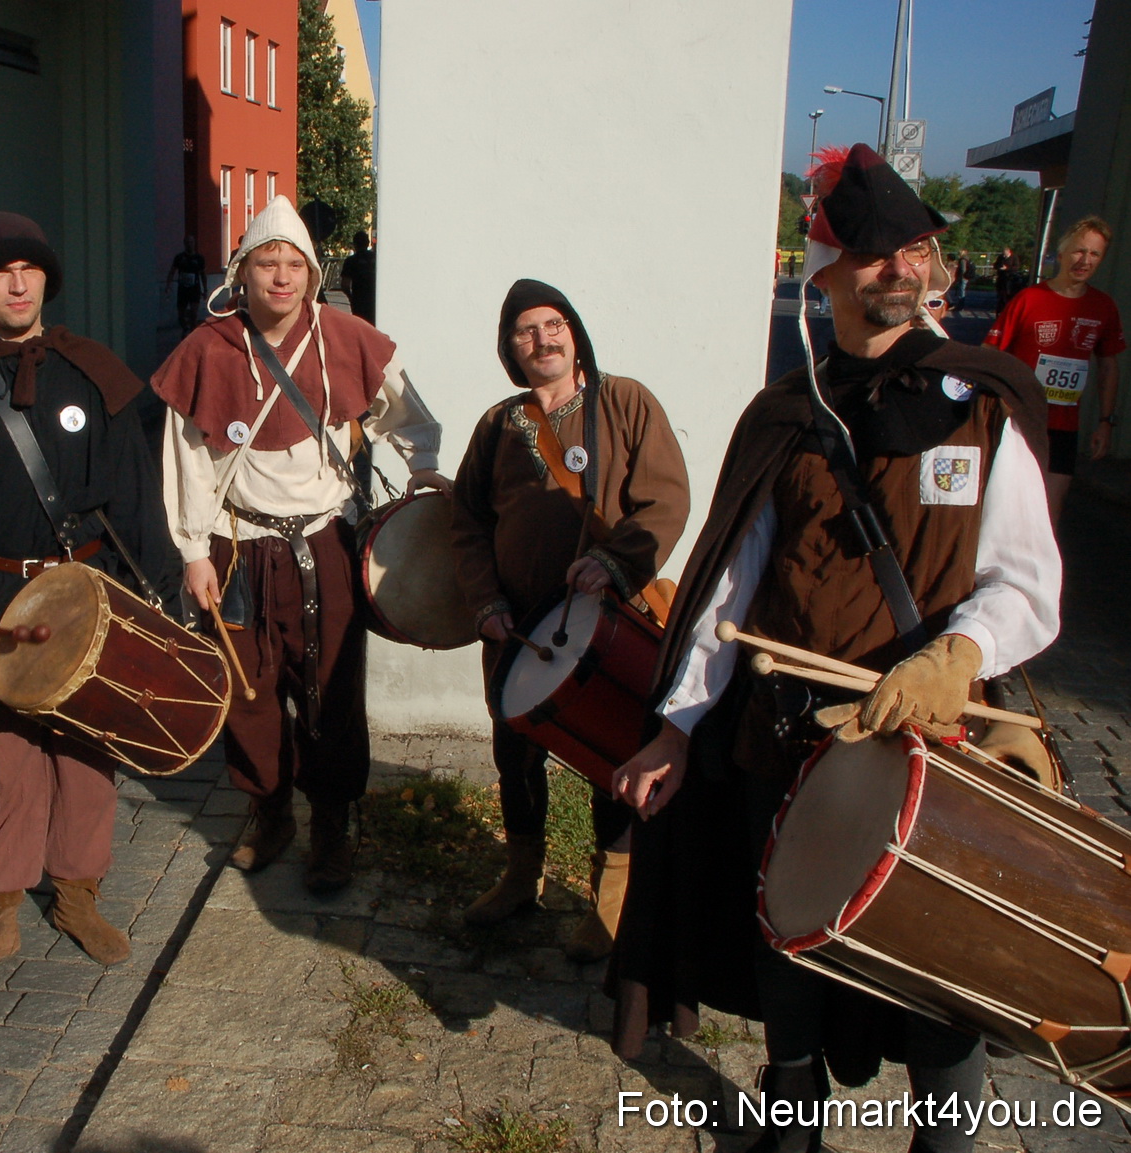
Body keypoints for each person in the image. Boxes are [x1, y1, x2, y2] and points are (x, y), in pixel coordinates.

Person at [611, 145, 1058, 1153]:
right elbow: (729, 589)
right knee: (789, 947)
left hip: (932, 752)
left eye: (914, 247)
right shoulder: (788, 416)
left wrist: (958, 653)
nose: (900, 268)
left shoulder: (982, 404)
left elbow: (1029, 583)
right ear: (825, 276)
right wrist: (678, 726)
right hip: (791, 740)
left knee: (940, 967)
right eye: (871, 253)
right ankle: (793, 1125)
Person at [0, 212, 179, 993]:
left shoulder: (94, 370)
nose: (18, 283)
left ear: (48, 278)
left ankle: (77, 894)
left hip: (85, 599)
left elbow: (136, 497)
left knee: (85, 756)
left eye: (31, 267)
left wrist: (153, 597)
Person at [153, 195, 446, 893]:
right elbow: (187, 456)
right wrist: (193, 550)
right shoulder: (209, 348)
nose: (281, 276)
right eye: (267, 263)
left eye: (293, 263)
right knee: (248, 690)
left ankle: (332, 823)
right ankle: (271, 812)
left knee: (331, 688)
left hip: (326, 542)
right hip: (238, 544)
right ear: (243, 273)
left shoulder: (345, 337)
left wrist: (423, 464)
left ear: (312, 274)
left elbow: (405, 410)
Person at [448, 279, 688, 957]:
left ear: (574, 334)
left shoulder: (625, 401)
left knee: (613, 754)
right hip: (518, 627)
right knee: (514, 755)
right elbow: (467, 519)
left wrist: (616, 563)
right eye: (526, 330)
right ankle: (521, 876)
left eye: (553, 324)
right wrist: (486, 600)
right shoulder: (499, 423)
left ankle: (610, 902)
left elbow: (665, 500)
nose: (543, 339)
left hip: (606, 624)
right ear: (510, 349)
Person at [984, 215, 1125, 523]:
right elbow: (990, 354)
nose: (1085, 260)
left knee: (1050, 511)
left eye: (1094, 254)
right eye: (1079, 251)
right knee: (1004, 508)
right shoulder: (1029, 299)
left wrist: (1105, 422)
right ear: (1061, 254)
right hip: (1019, 419)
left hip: (1063, 426)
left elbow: (1108, 366)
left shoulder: (1103, 307)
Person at [167, 234, 208, 335]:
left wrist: (205, 289)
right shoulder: (179, 257)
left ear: (194, 243)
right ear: (184, 244)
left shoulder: (199, 258)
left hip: (194, 289)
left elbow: (203, 275)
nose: (189, 244)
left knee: (194, 313)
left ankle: (192, 332)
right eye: (187, 242)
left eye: (191, 242)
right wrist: (168, 285)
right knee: (181, 315)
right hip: (182, 289)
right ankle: (185, 328)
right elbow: (172, 271)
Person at [339, 230, 378, 324]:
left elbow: (345, 285)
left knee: (360, 327)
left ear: (354, 244)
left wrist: (351, 297)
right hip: (375, 300)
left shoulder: (350, 261)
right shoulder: (377, 258)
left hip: (359, 301)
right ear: (368, 243)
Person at [994, 246, 1016, 314]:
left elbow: (1016, 267)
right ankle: (1000, 306)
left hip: (1009, 277)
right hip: (1001, 277)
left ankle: (1006, 306)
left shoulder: (1014, 257)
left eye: (1005, 254)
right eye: (1003, 253)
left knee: (1007, 292)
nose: (1004, 255)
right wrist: (999, 267)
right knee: (1000, 292)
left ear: (1009, 252)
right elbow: (995, 265)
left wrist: (1007, 268)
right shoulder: (1000, 257)